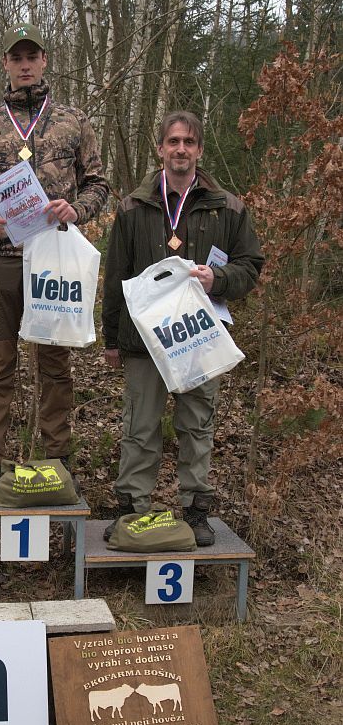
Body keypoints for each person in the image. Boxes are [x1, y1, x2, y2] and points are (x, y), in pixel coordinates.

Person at [0, 23, 109, 498]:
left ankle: (58, 458)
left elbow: (98, 183)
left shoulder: (73, 121)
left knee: (55, 363)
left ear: (44, 60)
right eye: (16, 58)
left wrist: (76, 210)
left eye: (31, 57)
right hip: (2, 260)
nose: (24, 65)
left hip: (54, 262)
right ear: (5, 63)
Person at [102, 111, 264, 545]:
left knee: (197, 424)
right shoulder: (133, 206)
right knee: (140, 426)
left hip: (198, 335)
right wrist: (112, 339)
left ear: (199, 150)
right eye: (173, 141)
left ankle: (195, 510)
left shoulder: (227, 207)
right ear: (160, 149)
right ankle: (132, 509)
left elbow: (251, 265)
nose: (180, 149)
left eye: (189, 142)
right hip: (144, 341)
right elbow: (116, 275)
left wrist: (219, 279)